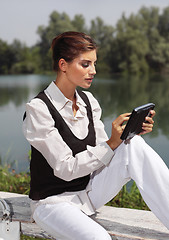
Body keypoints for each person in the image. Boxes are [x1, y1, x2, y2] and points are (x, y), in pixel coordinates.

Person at [23, 31, 169, 240]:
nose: (93, 71)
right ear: (63, 65)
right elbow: (65, 168)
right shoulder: (38, 109)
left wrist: (125, 136)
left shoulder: (88, 101)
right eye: (85, 64)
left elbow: (102, 153)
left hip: (87, 192)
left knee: (133, 145)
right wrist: (110, 143)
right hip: (52, 203)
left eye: (94, 64)